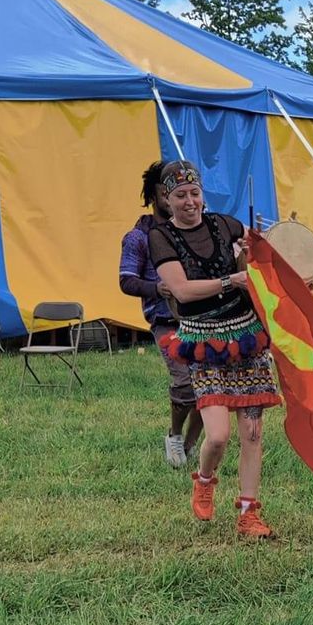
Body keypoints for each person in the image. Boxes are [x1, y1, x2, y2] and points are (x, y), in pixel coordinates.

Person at [147, 161, 281, 539]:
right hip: (202, 341)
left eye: (194, 193)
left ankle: (248, 513)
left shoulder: (225, 224)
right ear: (167, 199)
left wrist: (262, 255)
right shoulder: (161, 237)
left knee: (252, 432)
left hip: (246, 336)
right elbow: (182, 290)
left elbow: (262, 258)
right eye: (180, 195)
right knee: (218, 434)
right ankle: (204, 479)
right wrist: (230, 280)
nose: (189, 201)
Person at [118, 161, 203, 467]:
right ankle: (175, 436)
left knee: (209, 385)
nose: (174, 197)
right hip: (166, 320)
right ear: (154, 196)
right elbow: (126, 280)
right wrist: (158, 288)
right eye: (166, 192)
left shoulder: (197, 230)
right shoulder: (138, 237)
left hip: (201, 318)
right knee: (184, 383)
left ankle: (190, 445)